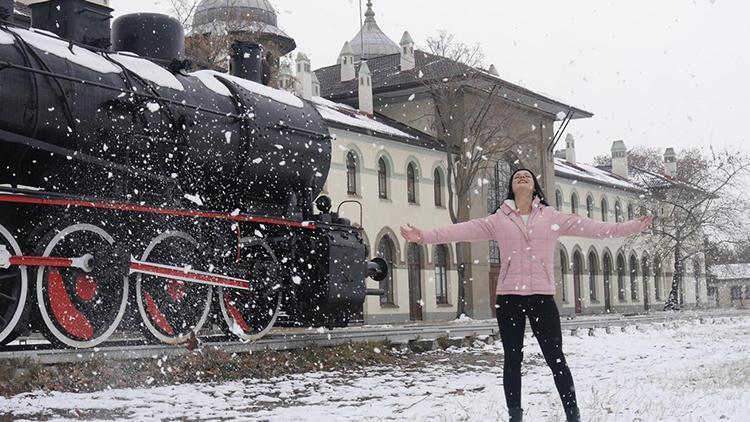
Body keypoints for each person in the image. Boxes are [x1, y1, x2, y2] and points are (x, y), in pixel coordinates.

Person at [400, 168, 654, 422]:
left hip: (542, 298)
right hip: (509, 298)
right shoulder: (499, 219)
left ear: (534, 187)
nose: (522, 177)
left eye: (527, 176)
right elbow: (462, 231)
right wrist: (423, 237)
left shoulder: (551, 217)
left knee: (556, 359)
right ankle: (515, 416)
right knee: (512, 359)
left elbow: (593, 228)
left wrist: (630, 227)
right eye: (517, 176)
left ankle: (572, 415)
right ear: (512, 186)